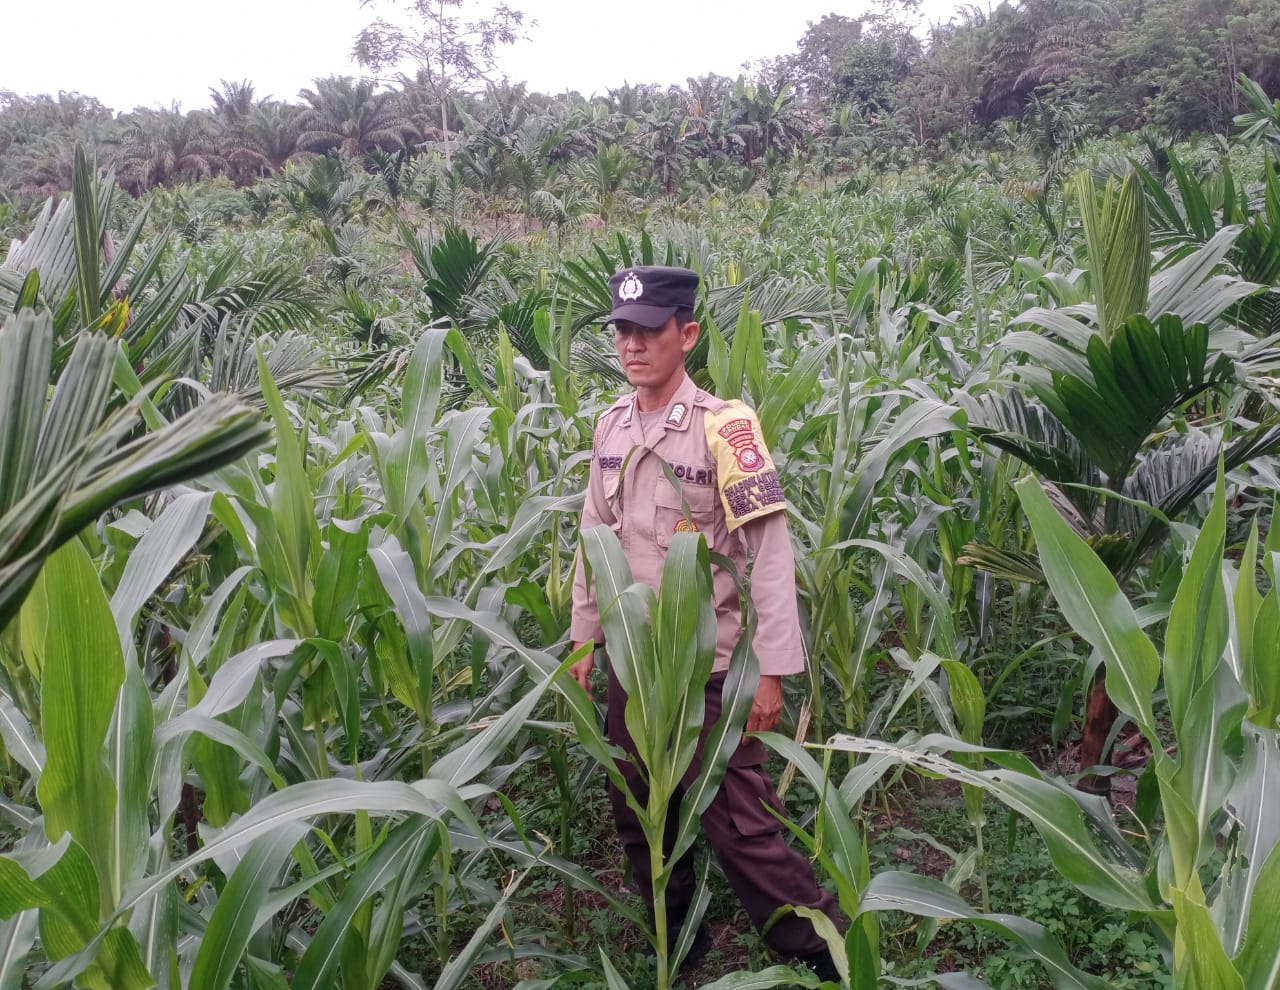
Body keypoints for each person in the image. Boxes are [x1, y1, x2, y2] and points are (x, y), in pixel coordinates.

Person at [569, 265, 841, 980]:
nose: (632, 345)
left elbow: (770, 554)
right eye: (622, 331)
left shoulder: (727, 429)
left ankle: (823, 950)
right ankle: (679, 940)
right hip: (635, 664)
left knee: (742, 823)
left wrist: (773, 670)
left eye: (648, 330)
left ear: (685, 334)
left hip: (710, 669)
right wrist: (583, 637)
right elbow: (596, 536)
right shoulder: (610, 427)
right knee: (639, 813)